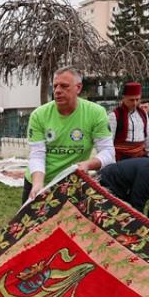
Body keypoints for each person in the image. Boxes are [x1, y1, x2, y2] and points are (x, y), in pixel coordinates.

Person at [25, 67, 115, 203]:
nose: (57, 91)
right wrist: (38, 184)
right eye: (55, 86)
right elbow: (37, 154)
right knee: (31, 224)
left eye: (64, 86)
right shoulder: (39, 115)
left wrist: (87, 165)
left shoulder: (96, 113)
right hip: (40, 182)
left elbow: (108, 152)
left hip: (73, 184)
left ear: (78, 88)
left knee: (71, 224)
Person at [109, 82, 149, 161]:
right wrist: (111, 162)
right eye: (131, 100)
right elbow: (109, 141)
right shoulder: (115, 115)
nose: (135, 103)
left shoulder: (143, 113)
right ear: (124, 98)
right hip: (121, 159)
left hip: (140, 157)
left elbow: (148, 136)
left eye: (137, 99)